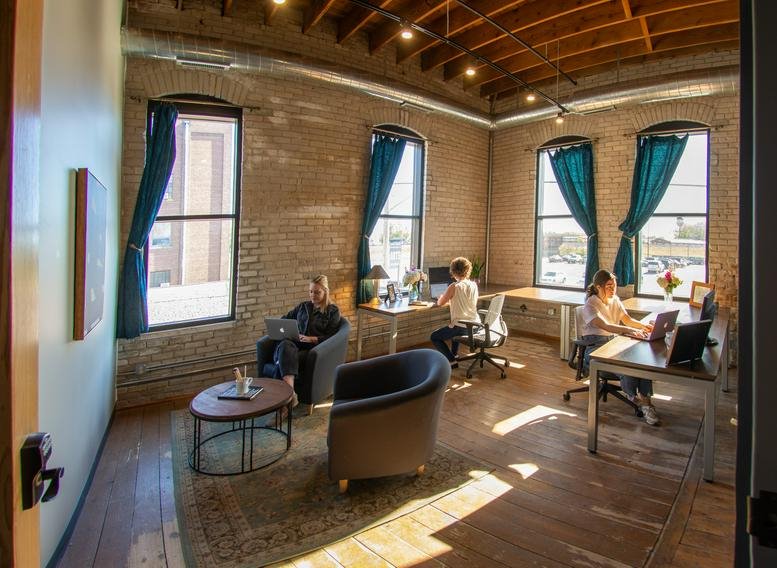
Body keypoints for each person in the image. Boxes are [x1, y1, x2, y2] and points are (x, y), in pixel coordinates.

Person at [581, 269, 660, 425]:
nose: (613, 289)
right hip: (595, 348)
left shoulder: (615, 300)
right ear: (598, 287)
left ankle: (646, 401)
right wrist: (629, 330)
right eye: (609, 286)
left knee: (641, 363)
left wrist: (645, 327)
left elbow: (627, 320)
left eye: (614, 286)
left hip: (613, 343)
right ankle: (638, 400)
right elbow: (606, 326)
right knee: (627, 367)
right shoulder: (590, 305)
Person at [272, 275, 341, 409]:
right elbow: (284, 320)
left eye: (317, 292)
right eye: (310, 291)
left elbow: (333, 337)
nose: (312, 295)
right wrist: (289, 331)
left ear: (325, 292)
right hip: (296, 344)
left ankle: (284, 404)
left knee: (284, 357)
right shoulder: (303, 307)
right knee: (286, 345)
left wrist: (312, 339)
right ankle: (291, 395)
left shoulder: (333, 311)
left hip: (314, 349)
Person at [430, 257, 479, 367]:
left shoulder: (454, 286)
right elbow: (467, 302)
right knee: (453, 326)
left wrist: (441, 297)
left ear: (453, 270)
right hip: (475, 325)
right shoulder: (474, 285)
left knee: (434, 337)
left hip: (461, 327)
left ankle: (451, 360)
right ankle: (454, 355)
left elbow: (440, 303)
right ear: (467, 270)